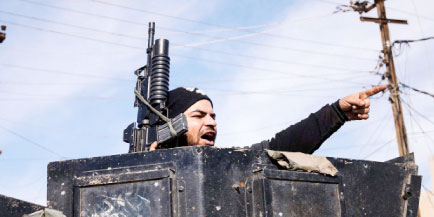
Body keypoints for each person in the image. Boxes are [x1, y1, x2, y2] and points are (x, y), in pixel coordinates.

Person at [149, 85, 387, 153]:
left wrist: (337, 112)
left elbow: (281, 147)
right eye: (199, 116)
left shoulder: (227, 165)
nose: (211, 122)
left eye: (212, 116)